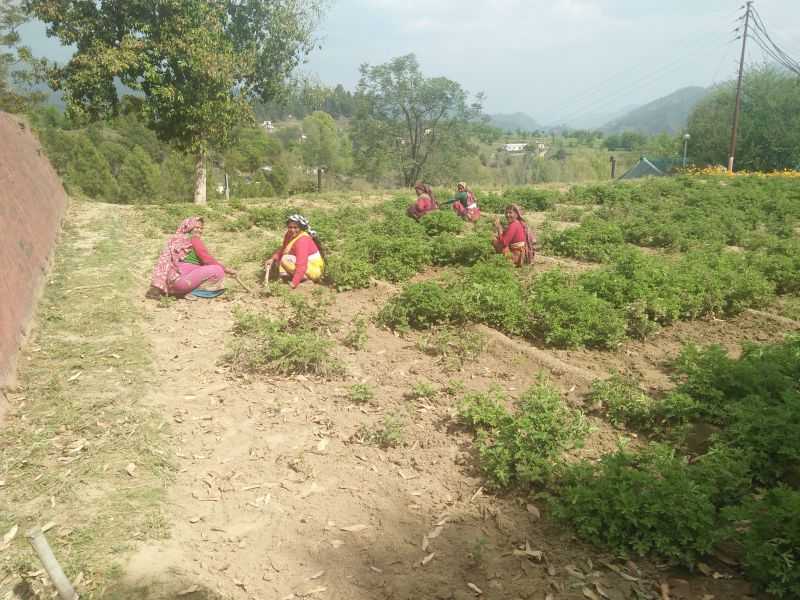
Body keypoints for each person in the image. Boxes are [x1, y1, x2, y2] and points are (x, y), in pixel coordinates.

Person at [150, 216, 237, 298]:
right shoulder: (194, 239)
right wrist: (226, 270)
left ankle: (181, 292)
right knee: (218, 270)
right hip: (182, 283)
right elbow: (207, 260)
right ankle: (191, 292)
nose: (199, 230)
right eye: (196, 228)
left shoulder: (177, 240)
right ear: (189, 228)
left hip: (171, 285)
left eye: (201, 228)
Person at [265, 214, 325, 289]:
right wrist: (273, 259)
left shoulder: (302, 240)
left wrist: (294, 283)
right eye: (290, 227)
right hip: (306, 266)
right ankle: (287, 278)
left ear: (301, 228)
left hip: (314, 269)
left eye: (295, 227)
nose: (292, 230)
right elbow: (284, 248)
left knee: (285, 259)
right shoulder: (289, 235)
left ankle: (305, 280)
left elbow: (302, 263)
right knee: (280, 260)